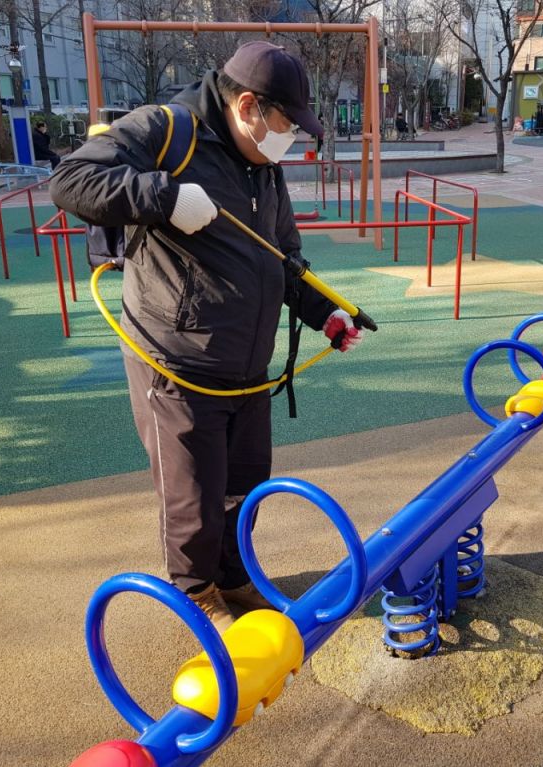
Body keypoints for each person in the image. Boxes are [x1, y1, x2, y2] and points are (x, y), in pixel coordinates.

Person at [50, 42, 365, 633]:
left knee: (244, 483)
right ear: (247, 106)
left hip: (247, 362)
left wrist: (323, 311)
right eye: (286, 124)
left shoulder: (262, 165)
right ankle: (196, 592)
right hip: (176, 357)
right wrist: (164, 198)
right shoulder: (165, 129)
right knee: (192, 495)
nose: (290, 138)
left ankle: (235, 574)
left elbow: (283, 256)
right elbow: (71, 180)